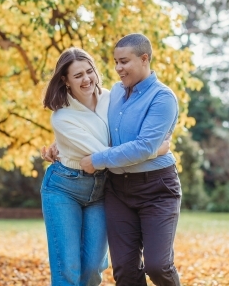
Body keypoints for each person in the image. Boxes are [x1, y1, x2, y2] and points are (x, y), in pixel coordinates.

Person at [40, 47, 170, 286]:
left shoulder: (112, 98)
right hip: (64, 187)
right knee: (67, 268)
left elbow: (126, 133)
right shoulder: (61, 117)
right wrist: (156, 148)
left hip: (102, 188)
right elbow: (104, 153)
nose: (87, 79)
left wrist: (146, 143)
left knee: (92, 268)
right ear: (65, 80)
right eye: (78, 75)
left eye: (89, 71)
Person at [79, 33, 182, 286]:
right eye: (115, 62)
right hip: (118, 191)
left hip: (157, 189)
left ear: (144, 58)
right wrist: (60, 145)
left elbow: (144, 147)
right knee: (124, 270)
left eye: (124, 61)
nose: (117, 68)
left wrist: (98, 159)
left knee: (158, 266)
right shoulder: (113, 93)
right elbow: (90, 122)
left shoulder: (162, 97)